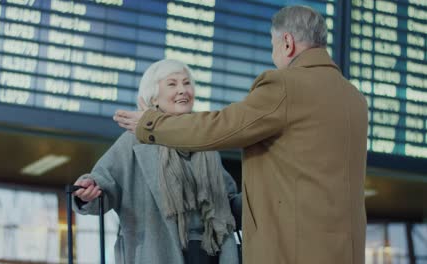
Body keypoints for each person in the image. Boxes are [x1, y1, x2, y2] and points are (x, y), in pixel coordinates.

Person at [114, 5, 368, 264]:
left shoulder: (285, 86)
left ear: (287, 43)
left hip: (292, 251)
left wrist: (152, 124)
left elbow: (220, 127)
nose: (274, 55)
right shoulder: (354, 99)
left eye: (273, 45)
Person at [72, 59, 241, 264]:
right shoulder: (135, 139)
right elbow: (104, 182)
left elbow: (228, 203)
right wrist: (87, 192)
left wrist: (257, 198)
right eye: (172, 84)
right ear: (154, 97)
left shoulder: (204, 143)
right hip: (158, 253)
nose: (182, 90)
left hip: (210, 254)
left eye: (187, 83)